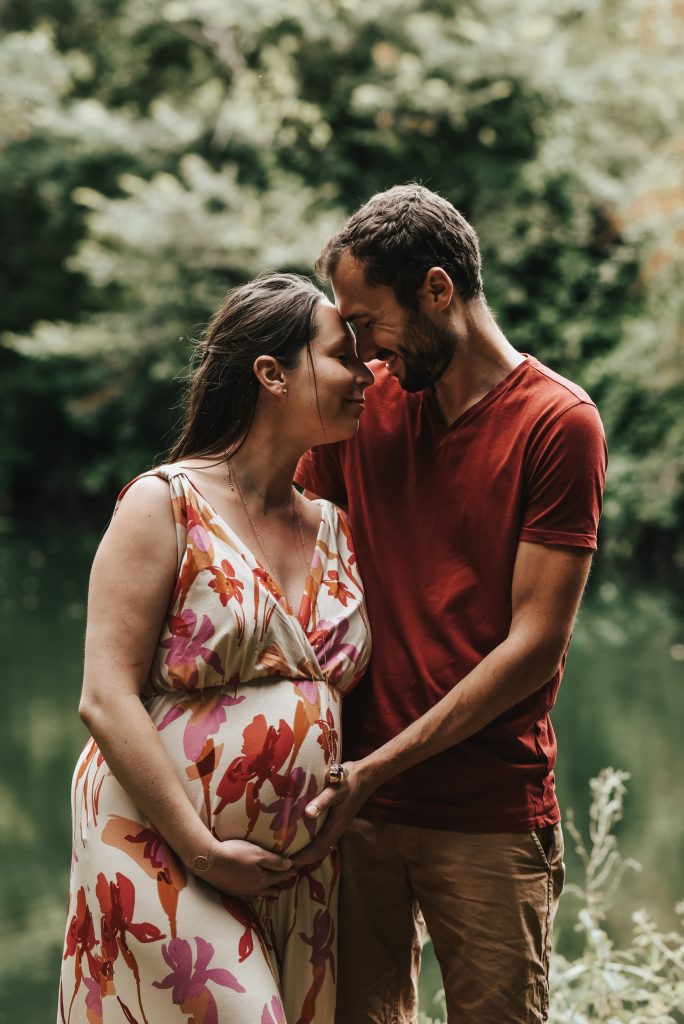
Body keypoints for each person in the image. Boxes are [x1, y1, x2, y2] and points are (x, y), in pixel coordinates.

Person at [293, 185, 608, 1024]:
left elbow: (532, 647)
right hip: (352, 809)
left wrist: (378, 768)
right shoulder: (364, 410)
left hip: (487, 814)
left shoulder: (557, 424)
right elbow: (278, 547)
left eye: (366, 323)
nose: (358, 353)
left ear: (438, 290)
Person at [58, 273, 374, 1024]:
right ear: (271, 373)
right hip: (160, 845)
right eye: (343, 357)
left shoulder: (333, 524)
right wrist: (202, 849)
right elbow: (104, 695)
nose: (368, 376)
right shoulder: (163, 502)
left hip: (295, 870)